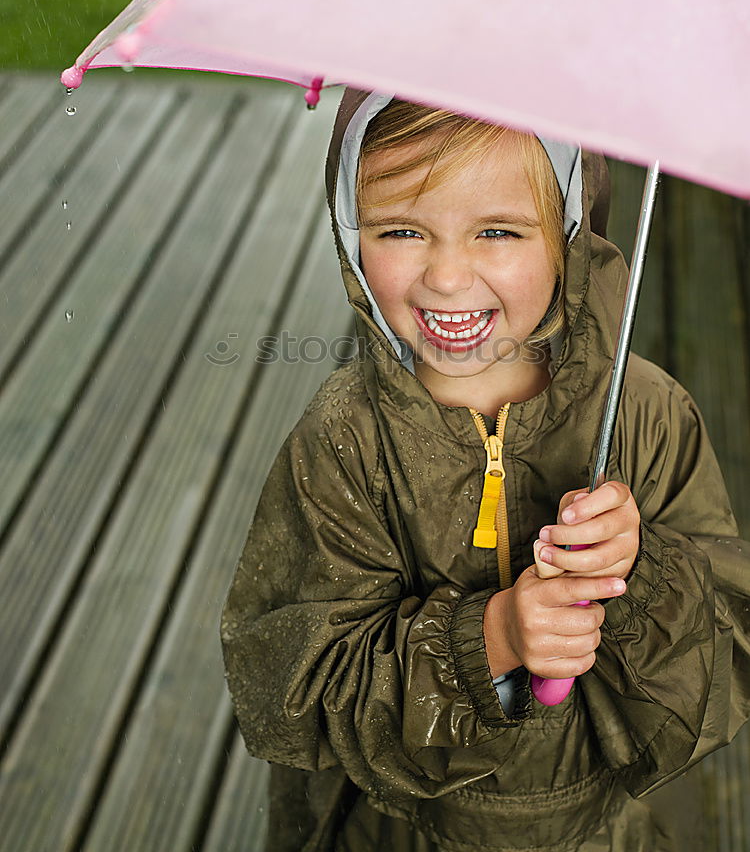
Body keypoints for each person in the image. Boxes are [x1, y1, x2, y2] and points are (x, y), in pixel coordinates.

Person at [220, 89, 750, 851]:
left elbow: (723, 653)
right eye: (402, 229)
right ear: (349, 229)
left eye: (497, 231)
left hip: (601, 827)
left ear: (566, 233)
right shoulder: (343, 445)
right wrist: (491, 638)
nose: (445, 276)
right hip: (399, 829)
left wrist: (636, 574)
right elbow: (294, 691)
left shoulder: (645, 418)